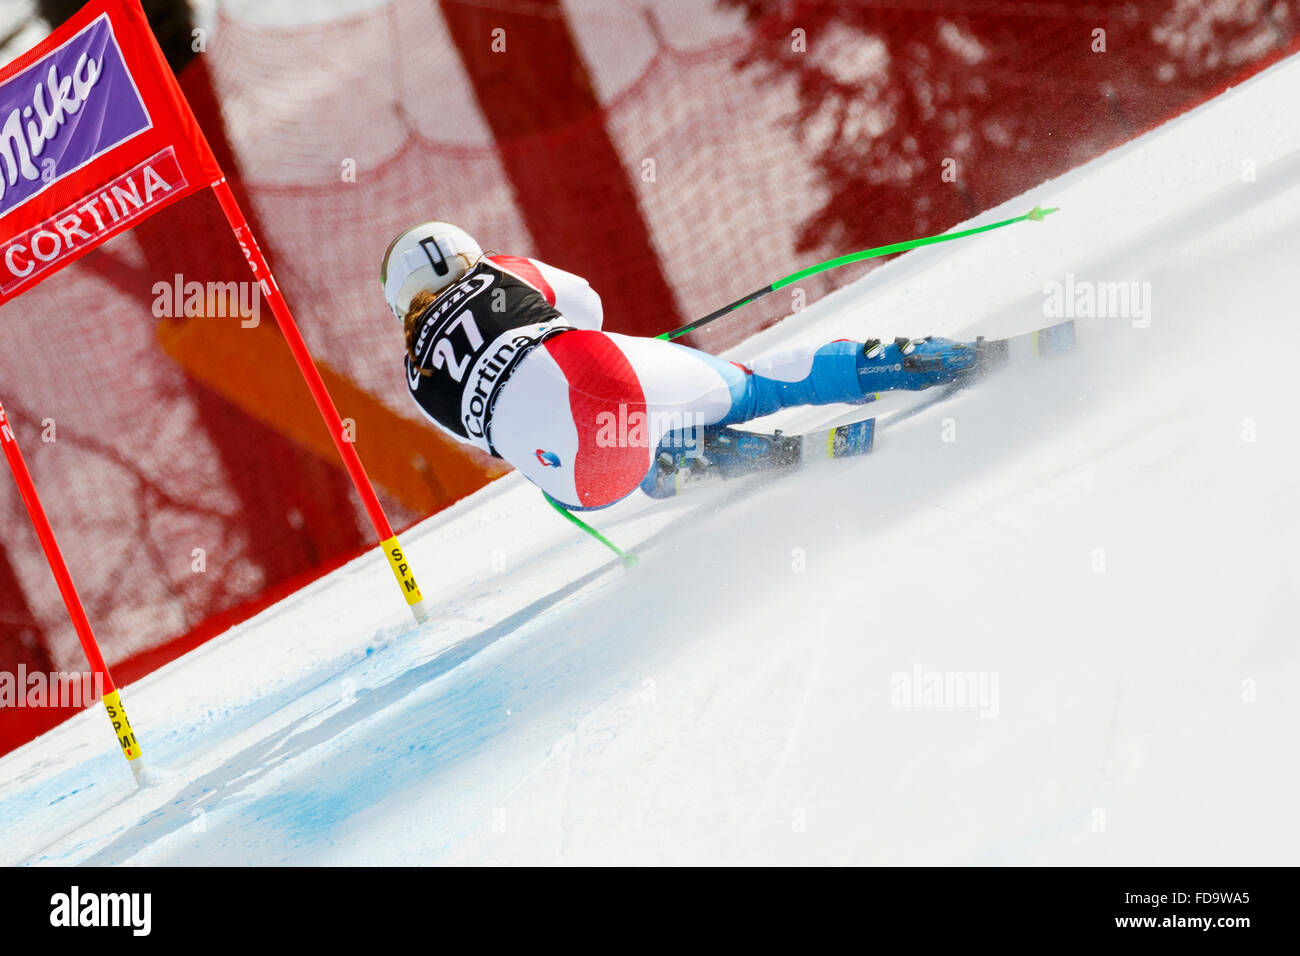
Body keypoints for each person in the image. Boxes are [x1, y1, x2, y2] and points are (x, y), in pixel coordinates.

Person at [383, 221, 978, 512]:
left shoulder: (415, 378)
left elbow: (484, 436)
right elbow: (587, 304)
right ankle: (918, 362)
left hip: (579, 483)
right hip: (597, 370)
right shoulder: (500, 269)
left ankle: (684, 458)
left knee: (627, 443)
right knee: (751, 387)